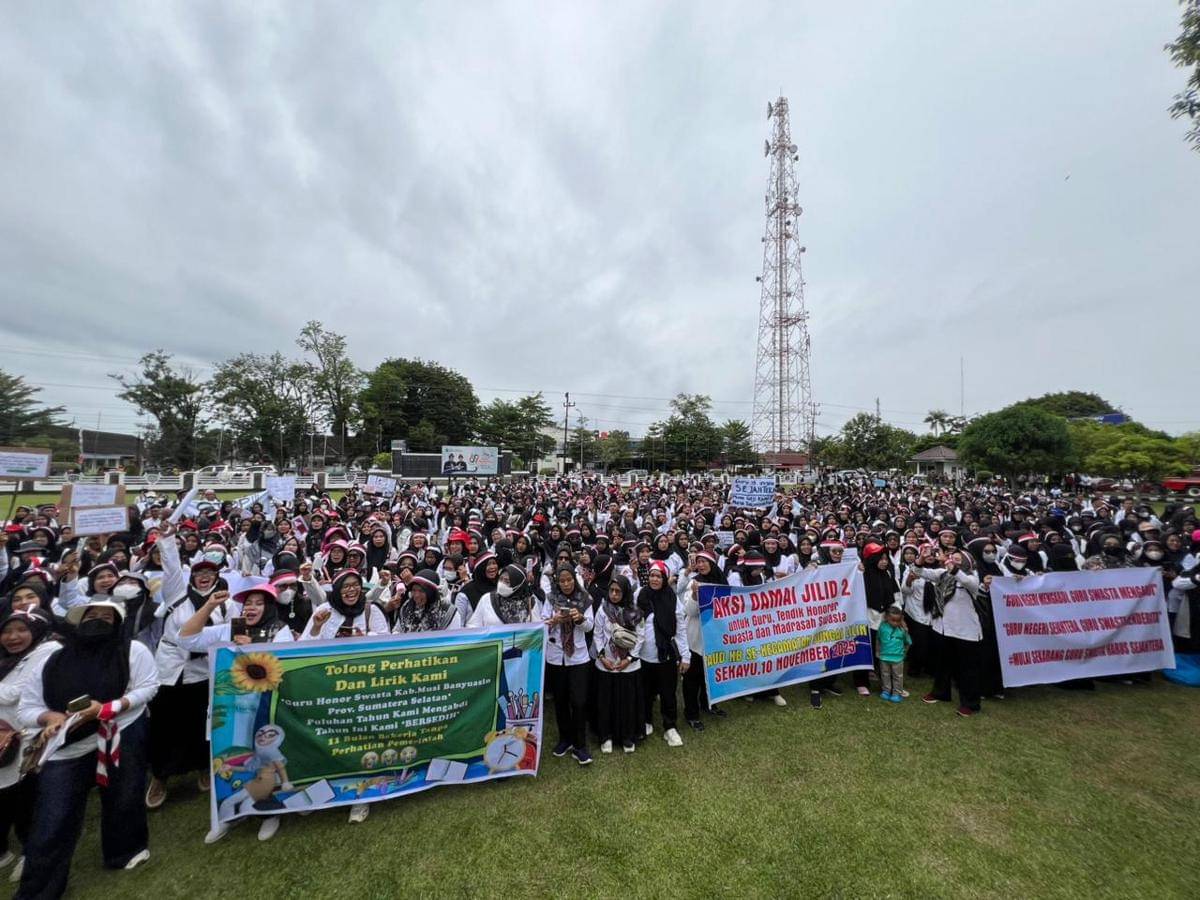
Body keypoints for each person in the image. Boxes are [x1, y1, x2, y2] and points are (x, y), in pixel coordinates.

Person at [16, 599, 158, 898]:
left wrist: (107, 709)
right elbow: (28, 708)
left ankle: (124, 850)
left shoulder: (133, 650)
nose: (98, 621)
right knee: (54, 816)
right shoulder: (51, 661)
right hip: (67, 747)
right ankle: (39, 888)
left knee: (124, 795)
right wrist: (49, 717)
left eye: (107, 617)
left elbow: (147, 687)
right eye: (91, 616)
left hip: (119, 731)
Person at [0, 609, 56, 880]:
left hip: (29, 736)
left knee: (28, 800)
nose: (12, 637)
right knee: (8, 797)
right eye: (7, 631)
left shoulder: (46, 650)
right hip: (5, 741)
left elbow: (17, 693)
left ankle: (32, 853)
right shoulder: (7, 661)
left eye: (21, 630)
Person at [538, 565, 593, 766]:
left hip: (578, 657)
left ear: (574, 579)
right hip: (556, 657)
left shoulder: (585, 598)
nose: (567, 584)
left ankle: (580, 745)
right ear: (557, 582)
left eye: (569, 579)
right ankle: (565, 739)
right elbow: (542, 625)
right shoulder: (550, 598)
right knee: (560, 701)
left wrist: (580, 619)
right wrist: (554, 620)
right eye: (562, 581)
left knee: (578, 702)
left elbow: (590, 626)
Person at [917, 549, 984, 718]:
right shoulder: (942, 574)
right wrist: (921, 560)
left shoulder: (972, 578)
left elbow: (966, 580)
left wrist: (952, 567)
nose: (953, 561)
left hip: (965, 631)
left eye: (958, 559)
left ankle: (970, 703)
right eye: (951, 558)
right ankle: (940, 693)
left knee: (967, 669)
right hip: (943, 627)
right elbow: (920, 572)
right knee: (943, 664)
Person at [636, 561, 689, 748]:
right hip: (643, 655)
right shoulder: (640, 595)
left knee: (668, 692)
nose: (654, 579)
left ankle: (669, 727)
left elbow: (680, 628)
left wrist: (685, 655)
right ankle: (646, 721)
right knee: (645, 691)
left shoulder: (671, 597)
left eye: (658, 576)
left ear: (665, 578)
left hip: (665, 654)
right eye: (651, 575)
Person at [592, 574, 645, 754]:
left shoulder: (635, 611)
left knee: (627, 702)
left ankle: (627, 737)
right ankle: (605, 736)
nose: (614, 594)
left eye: (618, 591)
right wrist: (602, 657)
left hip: (628, 665)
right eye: (612, 590)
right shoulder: (602, 610)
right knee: (606, 701)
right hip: (606, 663)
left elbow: (640, 637)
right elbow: (598, 634)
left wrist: (628, 659)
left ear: (625, 592)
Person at [877, 606, 911, 702]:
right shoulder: (882, 627)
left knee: (898, 676)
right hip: (884, 657)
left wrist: (904, 653)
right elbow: (878, 640)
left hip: (898, 658)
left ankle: (897, 693)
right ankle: (886, 691)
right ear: (887, 618)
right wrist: (878, 651)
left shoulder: (902, 631)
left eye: (898, 621)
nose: (895, 623)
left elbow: (908, 642)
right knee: (885, 675)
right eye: (893, 620)